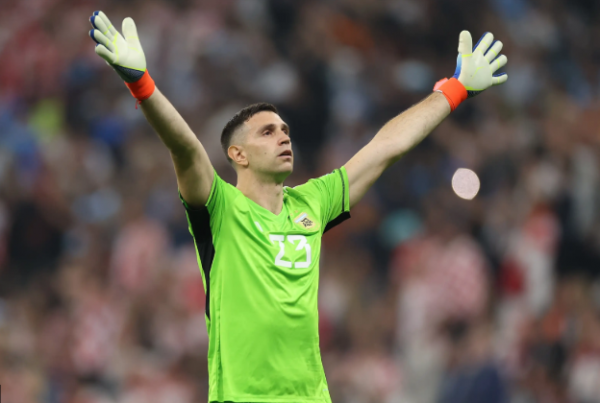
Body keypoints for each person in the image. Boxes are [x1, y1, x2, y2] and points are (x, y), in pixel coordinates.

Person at [88, 10, 508, 403]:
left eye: (285, 130)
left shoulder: (313, 202)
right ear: (237, 154)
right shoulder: (220, 209)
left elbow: (386, 147)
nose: (283, 137)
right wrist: (142, 83)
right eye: (267, 132)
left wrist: (455, 89)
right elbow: (185, 148)